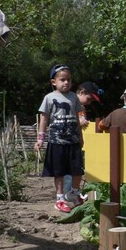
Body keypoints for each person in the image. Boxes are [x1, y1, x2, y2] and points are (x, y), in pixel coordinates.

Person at [34, 64, 86, 213]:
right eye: (62, 79)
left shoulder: (74, 97)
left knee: (78, 170)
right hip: (57, 141)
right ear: (54, 82)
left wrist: (81, 137)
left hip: (73, 140)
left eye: (69, 80)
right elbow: (44, 119)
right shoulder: (49, 98)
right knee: (59, 172)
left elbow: (77, 118)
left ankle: (73, 194)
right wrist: (40, 138)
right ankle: (60, 199)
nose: (66, 83)